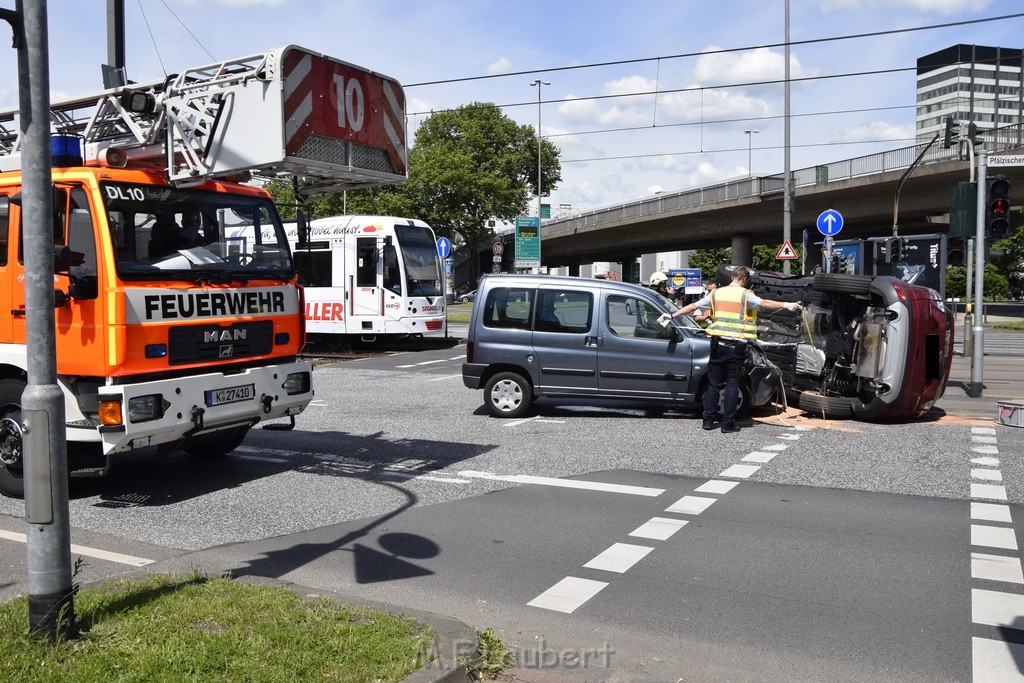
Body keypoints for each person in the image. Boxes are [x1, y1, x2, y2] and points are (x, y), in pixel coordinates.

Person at [659, 266, 803, 433]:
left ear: (733, 277)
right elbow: (764, 304)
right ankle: (727, 424)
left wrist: (672, 315)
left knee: (714, 384)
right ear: (744, 280)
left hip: (717, 345)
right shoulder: (745, 294)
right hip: (736, 348)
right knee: (732, 383)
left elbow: (692, 307)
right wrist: (787, 304)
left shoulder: (716, 293)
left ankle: (708, 421)